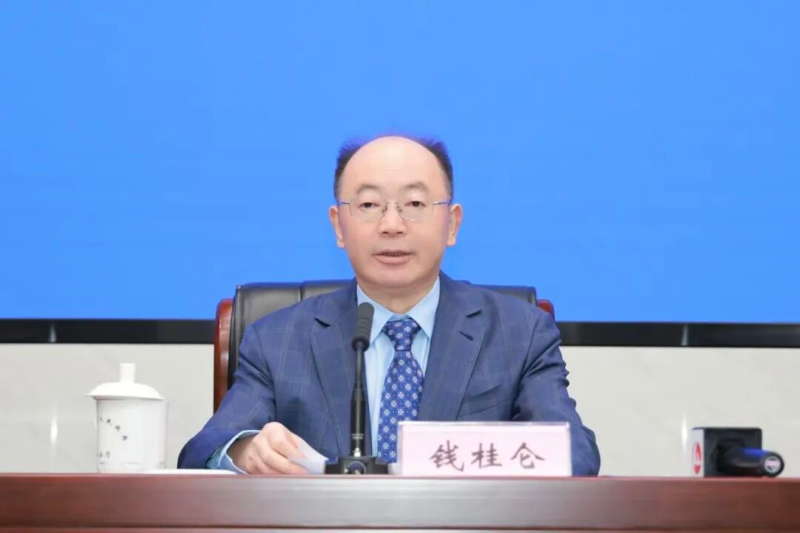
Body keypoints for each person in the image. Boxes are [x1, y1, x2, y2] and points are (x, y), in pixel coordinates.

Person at [178, 135, 600, 475]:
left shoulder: (520, 333)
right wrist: (247, 450)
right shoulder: (276, 340)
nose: (392, 225)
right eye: (368, 205)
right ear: (338, 226)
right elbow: (203, 450)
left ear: (452, 224)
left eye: (415, 204)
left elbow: (576, 455)